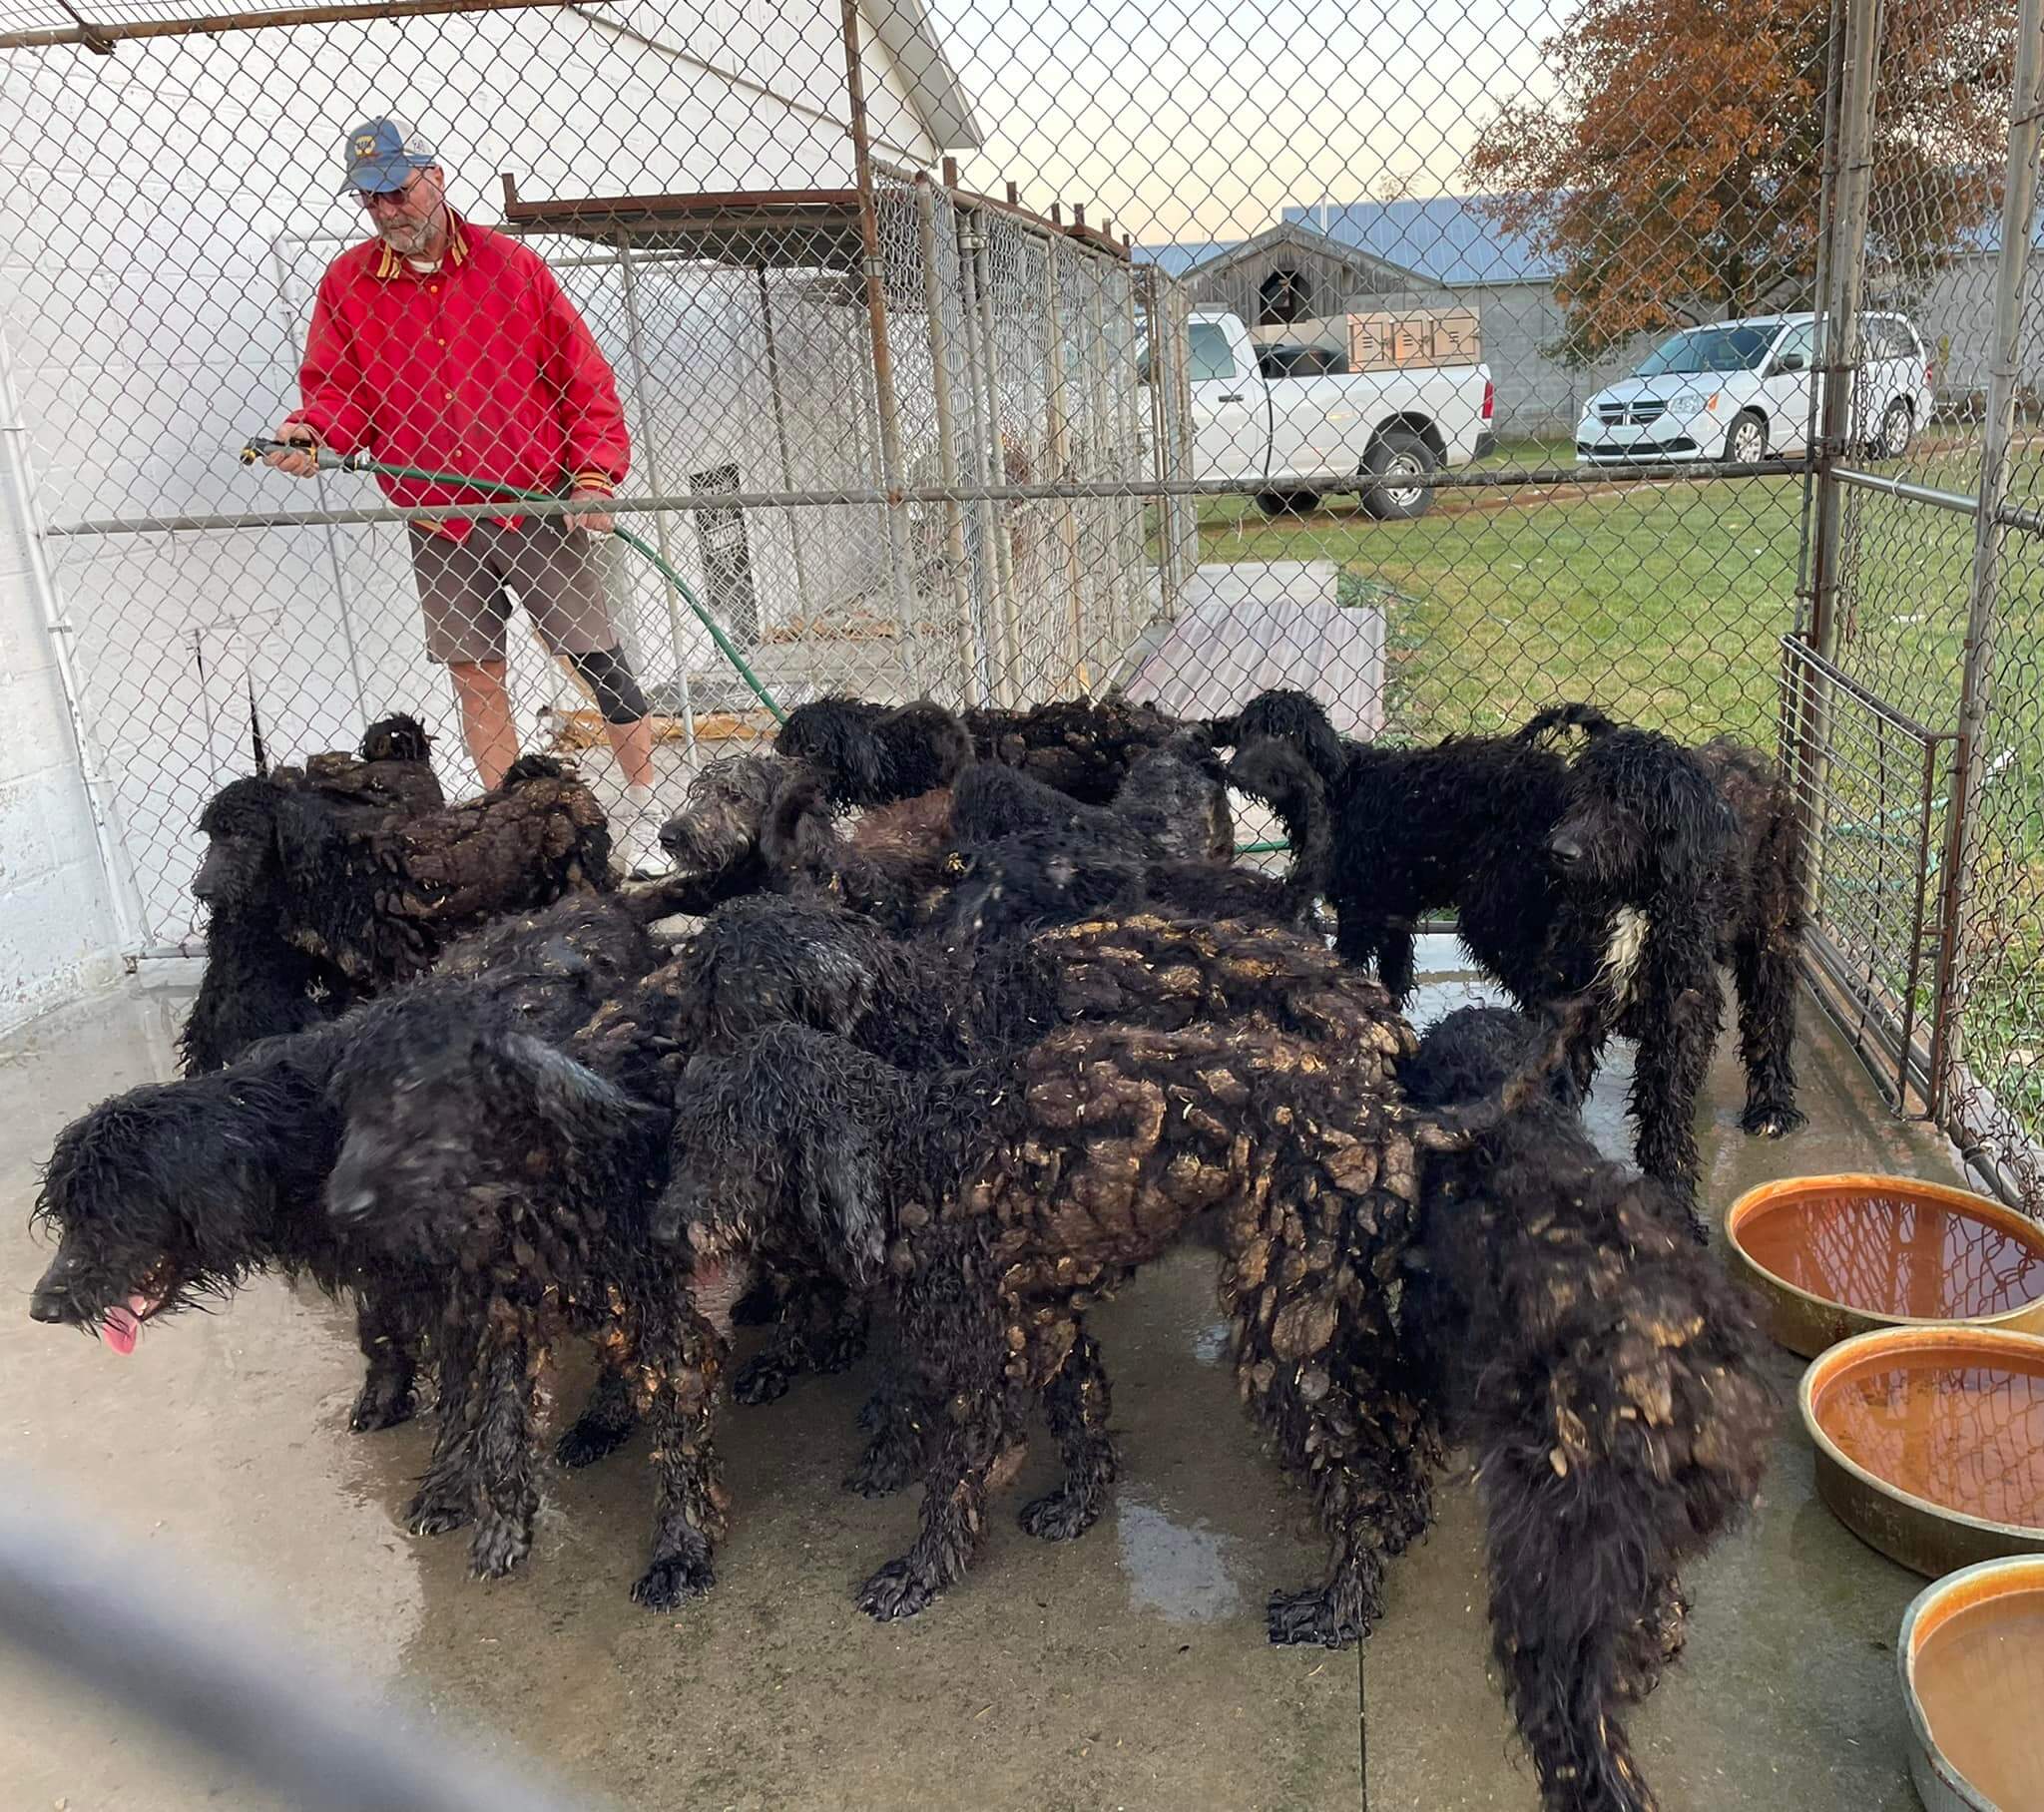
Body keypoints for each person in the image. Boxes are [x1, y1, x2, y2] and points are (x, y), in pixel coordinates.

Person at [264, 118, 667, 875]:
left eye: (398, 191)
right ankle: (513, 840)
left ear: (436, 177)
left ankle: (648, 818)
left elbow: (584, 380)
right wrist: (314, 435)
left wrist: (593, 475)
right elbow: (338, 391)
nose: (387, 211)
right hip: (438, 515)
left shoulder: (512, 267)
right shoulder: (348, 283)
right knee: (476, 676)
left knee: (598, 661)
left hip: (537, 502)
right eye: (370, 200)